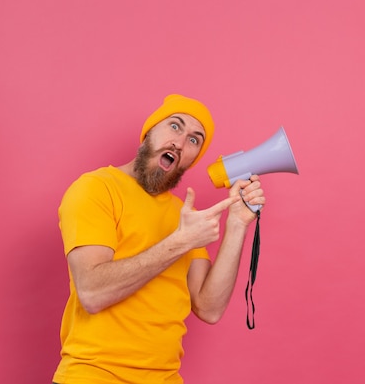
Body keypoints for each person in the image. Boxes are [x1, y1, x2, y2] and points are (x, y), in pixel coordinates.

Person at [52, 94, 265, 384]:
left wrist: (238, 224)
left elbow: (209, 307)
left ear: (193, 159)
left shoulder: (183, 215)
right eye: (175, 126)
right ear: (149, 132)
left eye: (194, 140)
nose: (179, 142)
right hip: (93, 375)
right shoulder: (96, 189)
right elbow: (92, 293)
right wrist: (181, 241)